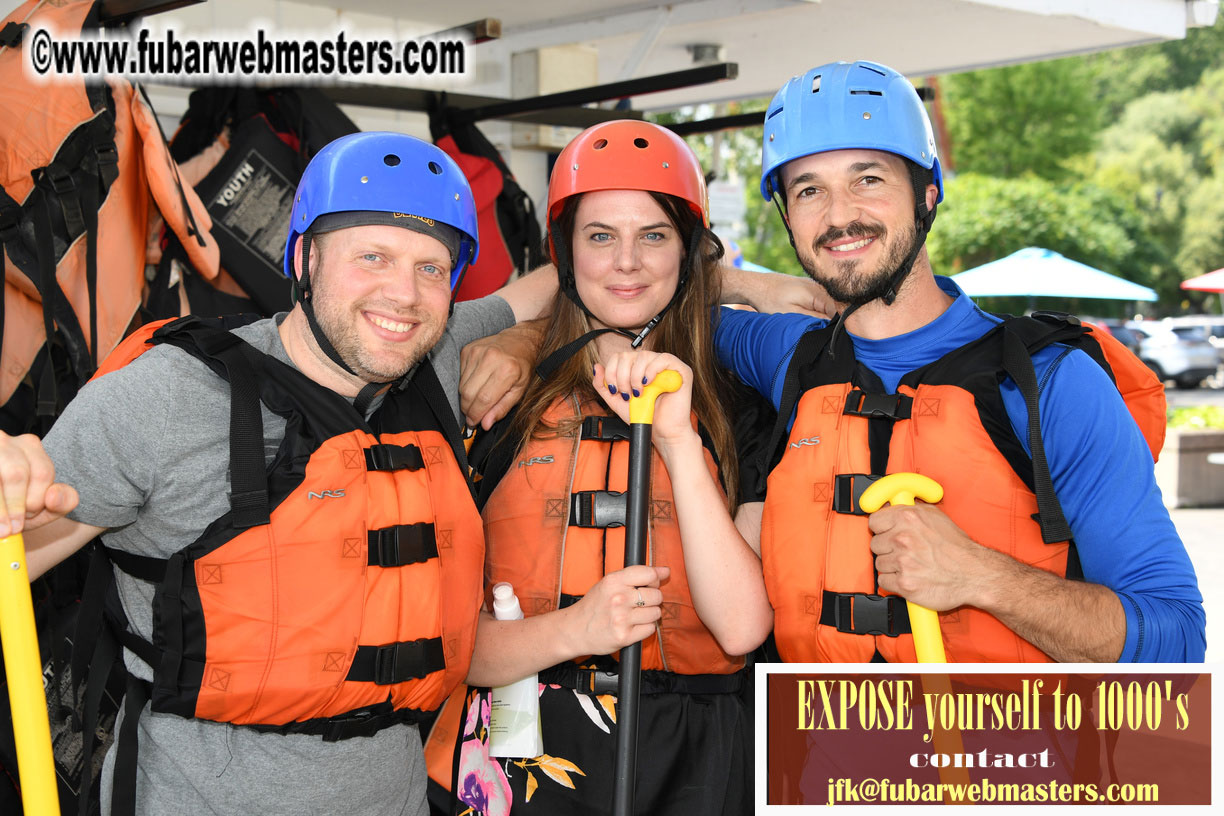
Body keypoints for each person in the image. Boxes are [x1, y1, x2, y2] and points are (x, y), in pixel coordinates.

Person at [0, 131, 564, 816]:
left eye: (431, 268)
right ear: (305, 256)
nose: (404, 294)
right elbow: (16, 550)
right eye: (373, 257)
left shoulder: (432, 362)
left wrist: (522, 339)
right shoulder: (167, 396)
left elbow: (564, 287)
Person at [715, 59, 1205, 663]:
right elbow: (627, 290)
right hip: (827, 754)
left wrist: (979, 576)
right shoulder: (787, 354)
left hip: (1011, 756)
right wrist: (744, 283)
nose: (839, 215)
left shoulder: (1049, 381)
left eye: (868, 179)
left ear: (927, 194)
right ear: (787, 216)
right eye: (809, 189)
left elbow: (1176, 637)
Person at [446, 120, 774, 815]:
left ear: (689, 254)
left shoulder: (743, 404)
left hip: (695, 756)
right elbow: (446, 645)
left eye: (653, 235)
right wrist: (577, 631)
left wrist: (680, 439)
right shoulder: (500, 397)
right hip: (521, 754)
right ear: (564, 255)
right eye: (600, 236)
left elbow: (742, 630)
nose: (627, 262)